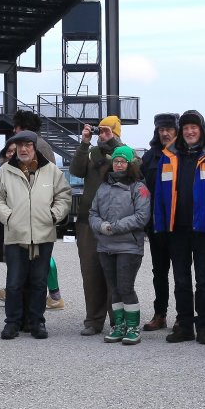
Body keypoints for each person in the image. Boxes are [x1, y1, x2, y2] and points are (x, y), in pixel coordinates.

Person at [151, 110, 205, 344]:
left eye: (193, 127)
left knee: (203, 280)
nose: (189, 131)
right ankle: (184, 325)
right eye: (185, 128)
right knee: (181, 280)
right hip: (177, 229)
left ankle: (203, 326)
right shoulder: (168, 156)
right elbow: (160, 194)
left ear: (201, 129)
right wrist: (160, 227)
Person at [0, 130, 72, 339]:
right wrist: (8, 217)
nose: (23, 149)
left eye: (27, 145)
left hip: (44, 235)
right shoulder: (4, 172)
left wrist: (54, 215)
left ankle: (37, 322)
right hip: (16, 234)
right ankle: (12, 323)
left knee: (39, 282)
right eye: (20, 146)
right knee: (14, 282)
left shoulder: (51, 170)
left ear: (34, 148)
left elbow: (64, 195)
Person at [88, 144, 151, 343]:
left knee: (125, 287)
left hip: (129, 246)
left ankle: (133, 327)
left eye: (123, 161)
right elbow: (93, 213)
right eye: (116, 161)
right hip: (105, 246)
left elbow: (141, 217)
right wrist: (101, 226)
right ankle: (119, 325)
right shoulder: (103, 186)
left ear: (130, 164)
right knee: (113, 288)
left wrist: (114, 227)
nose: (119, 164)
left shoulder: (139, 188)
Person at [70, 116, 122, 336]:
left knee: (115, 273)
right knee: (90, 272)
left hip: (115, 223)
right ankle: (93, 320)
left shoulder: (124, 153)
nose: (102, 135)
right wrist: (84, 143)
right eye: (100, 131)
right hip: (87, 222)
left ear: (116, 133)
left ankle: (117, 320)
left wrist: (112, 143)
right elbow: (75, 170)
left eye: (107, 131)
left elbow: (131, 170)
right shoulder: (91, 153)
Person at [139, 112, 178, 330]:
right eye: (161, 129)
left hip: (179, 225)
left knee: (181, 273)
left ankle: (183, 316)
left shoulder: (184, 155)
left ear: (176, 130)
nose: (165, 133)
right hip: (156, 225)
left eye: (169, 129)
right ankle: (160, 314)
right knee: (159, 273)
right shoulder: (150, 157)